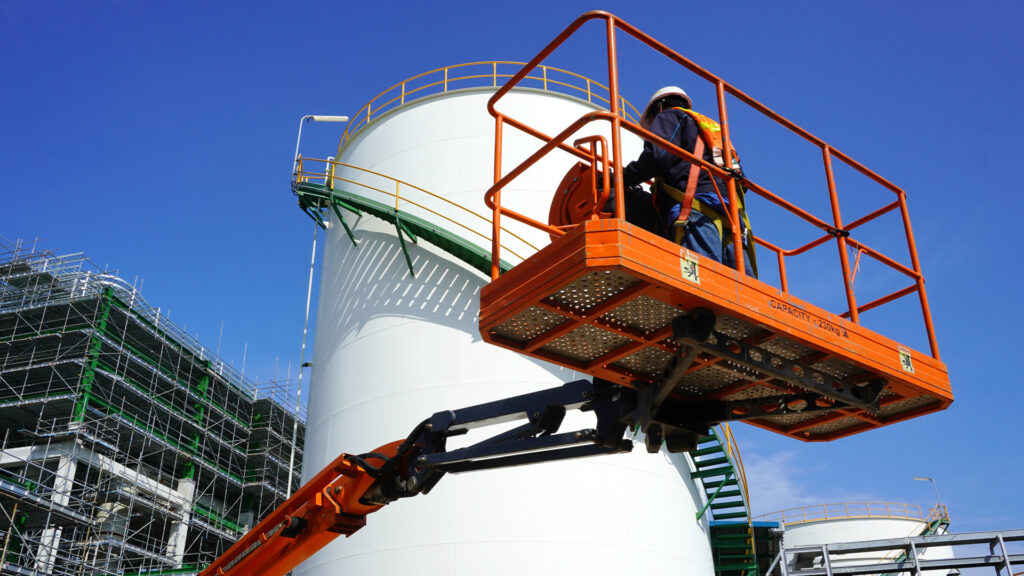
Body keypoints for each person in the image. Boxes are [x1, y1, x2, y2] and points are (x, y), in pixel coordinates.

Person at [622, 86, 756, 277]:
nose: (652, 129)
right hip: (732, 217)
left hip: (696, 213)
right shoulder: (712, 129)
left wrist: (623, 178)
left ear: (659, 108)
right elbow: (741, 178)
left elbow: (659, 155)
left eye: (650, 124)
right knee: (743, 293)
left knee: (701, 282)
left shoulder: (669, 117)